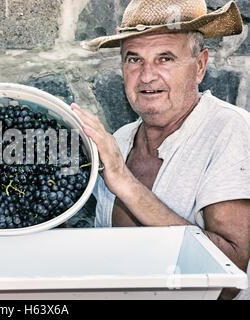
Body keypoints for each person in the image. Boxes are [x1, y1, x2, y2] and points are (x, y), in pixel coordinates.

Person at [72, 0, 250, 300]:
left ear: (200, 66)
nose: (146, 76)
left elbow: (229, 278)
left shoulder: (231, 130)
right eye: (133, 59)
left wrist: (125, 183)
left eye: (165, 58)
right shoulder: (121, 139)